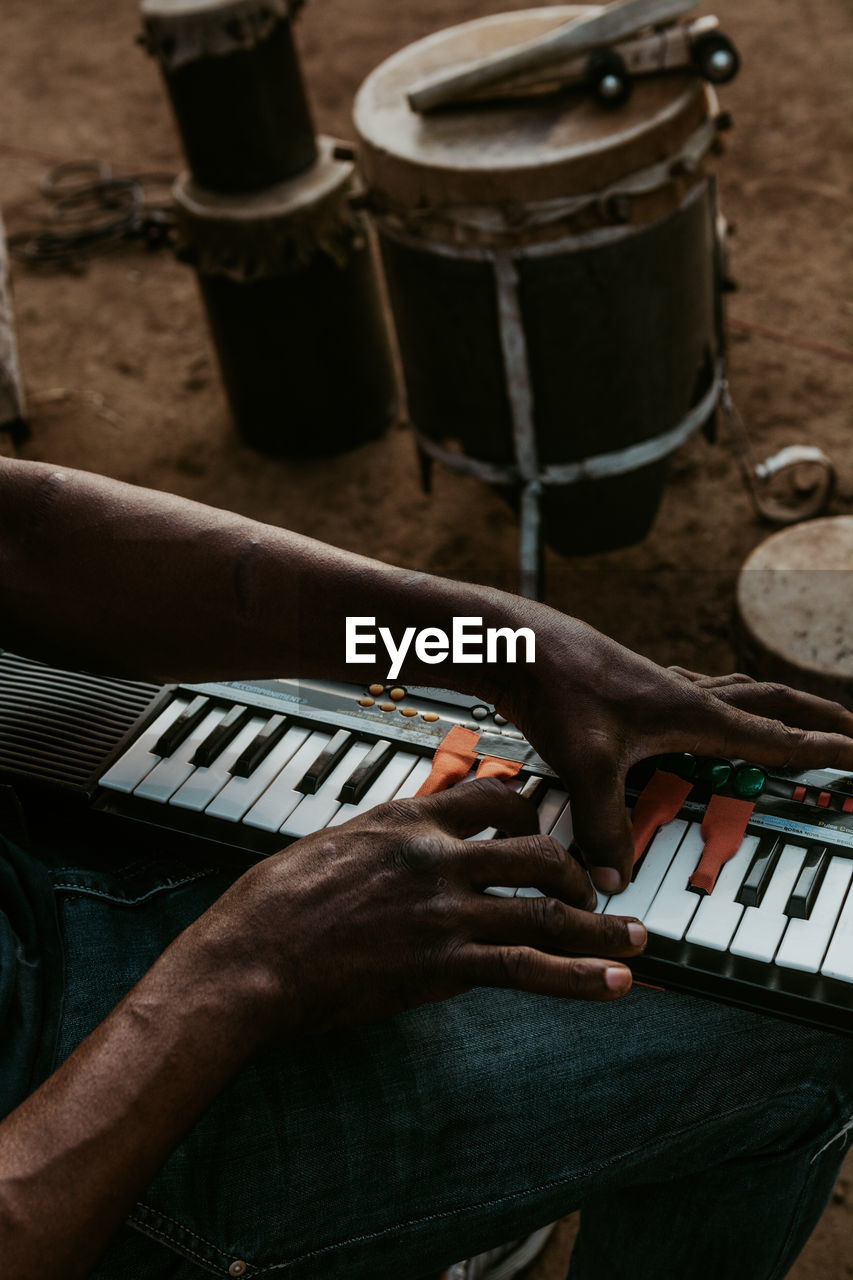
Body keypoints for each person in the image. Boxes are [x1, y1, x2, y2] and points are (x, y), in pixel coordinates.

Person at [0, 455, 851, 1280]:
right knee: (798, 1025)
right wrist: (240, 974)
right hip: (65, 1142)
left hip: (31, 862)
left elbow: (23, 543)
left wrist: (494, 645)